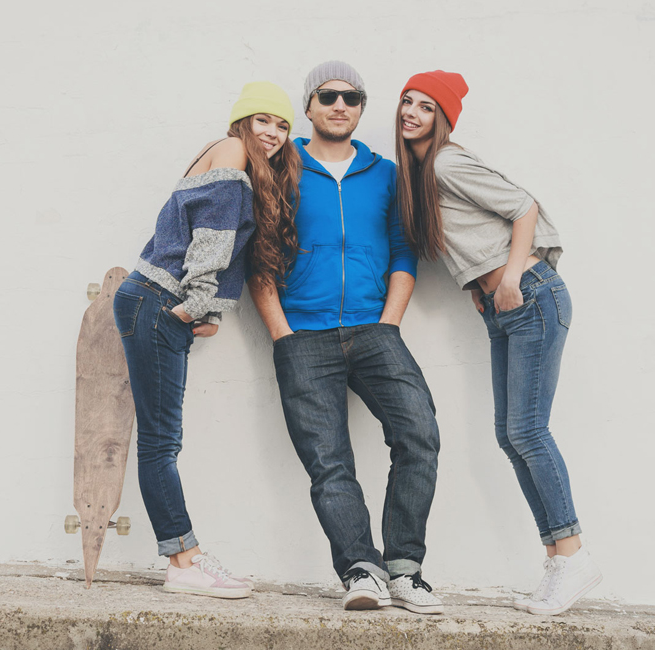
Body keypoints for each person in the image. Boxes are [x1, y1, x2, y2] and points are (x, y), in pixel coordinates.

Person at [393, 70, 602, 616]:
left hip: (530, 294)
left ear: (443, 119)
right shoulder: (421, 174)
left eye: (426, 107)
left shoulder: (445, 163)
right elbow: (472, 235)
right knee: (512, 437)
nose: (412, 112)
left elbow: (523, 206)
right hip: (504, 306)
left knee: (528, 431)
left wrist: (507, 276)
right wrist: (478, 284)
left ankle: (574, 556)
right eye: (407, 102)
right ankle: (558, 560)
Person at [248, 61, 443, 615]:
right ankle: (361, 569)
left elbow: (404, 252)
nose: (340, 105)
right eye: (328, 95)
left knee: (419, 435)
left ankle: (404, 570)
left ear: (361, 108)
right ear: (309, 106)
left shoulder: (386, 174)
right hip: (302, 336)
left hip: (373, 330)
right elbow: (258, 255)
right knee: (328, 461)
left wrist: (389, 323)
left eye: (352, 97)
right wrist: (282, 333)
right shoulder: (280, 168)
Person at [113, 81, 301, 599]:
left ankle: (185, 558)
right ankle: (184, 562)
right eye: (263, 120)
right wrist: (198, 300)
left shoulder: (231, 156)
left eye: (282, 125)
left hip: (154, 299)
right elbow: (214, 233)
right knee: (160, 442)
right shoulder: (234, 149)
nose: (273, 133)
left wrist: (210, 309)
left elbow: (209, 231)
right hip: (158, 299)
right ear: (242, 121)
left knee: (162, 440)